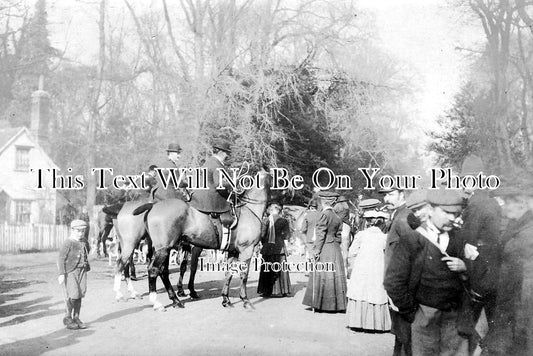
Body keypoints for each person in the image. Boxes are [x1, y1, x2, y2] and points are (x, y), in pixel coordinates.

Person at [384, 189, 469, 356]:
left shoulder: (459, 238)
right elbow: (393, 282)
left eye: (456, 214)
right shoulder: (413, 239)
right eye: (446, 212)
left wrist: (465, 267)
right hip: (423, 316)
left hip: (453, 320)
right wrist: (412, 313)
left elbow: (475, 275)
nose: (452, 218)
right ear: (431, 209)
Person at [455, 155, 502, 354]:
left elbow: (467, 239)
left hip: (478, 272)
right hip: (493, 268)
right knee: (494, 323)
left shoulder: (475, 204)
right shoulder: (492, 202)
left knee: (465, 325)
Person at [483, 185, 533, 356]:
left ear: (523, 204)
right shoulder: (515, 224)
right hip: (508, 299)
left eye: (508, 202)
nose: (504, 206)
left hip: (520, 306)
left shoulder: (527, 233)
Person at [302, 191, 347, 312]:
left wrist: (316, 250)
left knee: (323, 275)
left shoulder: (323, 215)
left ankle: (322, 304)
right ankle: (337, 305)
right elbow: (338, 235)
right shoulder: (337, 217)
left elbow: (320, 234)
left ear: (323, 202)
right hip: (335, 248)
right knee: (334, 276)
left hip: (325, 247)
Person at [347, 209, 391, 332]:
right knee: (375, 291)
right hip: (377, 267)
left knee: (360, 291)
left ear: (367, 222)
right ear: (382, 224)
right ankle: (375, 324)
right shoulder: (384, 237)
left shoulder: (361, 235)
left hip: (362, 267)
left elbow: (352, 253)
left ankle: (357, 322)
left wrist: (352, 267)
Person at [189, 138, 233, 240]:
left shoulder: (208, 162)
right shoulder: (217, 165)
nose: (227, 156)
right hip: (210, 199)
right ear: (221, 152)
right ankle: (224, 240)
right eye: (227, 153)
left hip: (198, 197)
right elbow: (218, 185)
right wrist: (231, 184)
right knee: (230, 216)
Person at [57, 219, 91, 330]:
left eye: (83, 231)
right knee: (73, 294)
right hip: (71, 271)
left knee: (81, 293)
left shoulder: (84, 241)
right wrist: (61, 274)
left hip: (82, 270)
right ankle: (67, 317)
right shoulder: (69, 242)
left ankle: (76, 317)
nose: (81, 233)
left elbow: (87, 250)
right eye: (78, 231)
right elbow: (61, 258)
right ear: (72, 230)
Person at [257, 201, 292, 297]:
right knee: (281, 268)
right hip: (280, 248)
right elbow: (287, 235)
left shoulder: (265, 220)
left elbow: (262, 235)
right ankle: (282, 290)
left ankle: (267, 291)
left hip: (268, 248)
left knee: (267, 268)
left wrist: (264, 243)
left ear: (271, 210)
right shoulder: (284, 221)